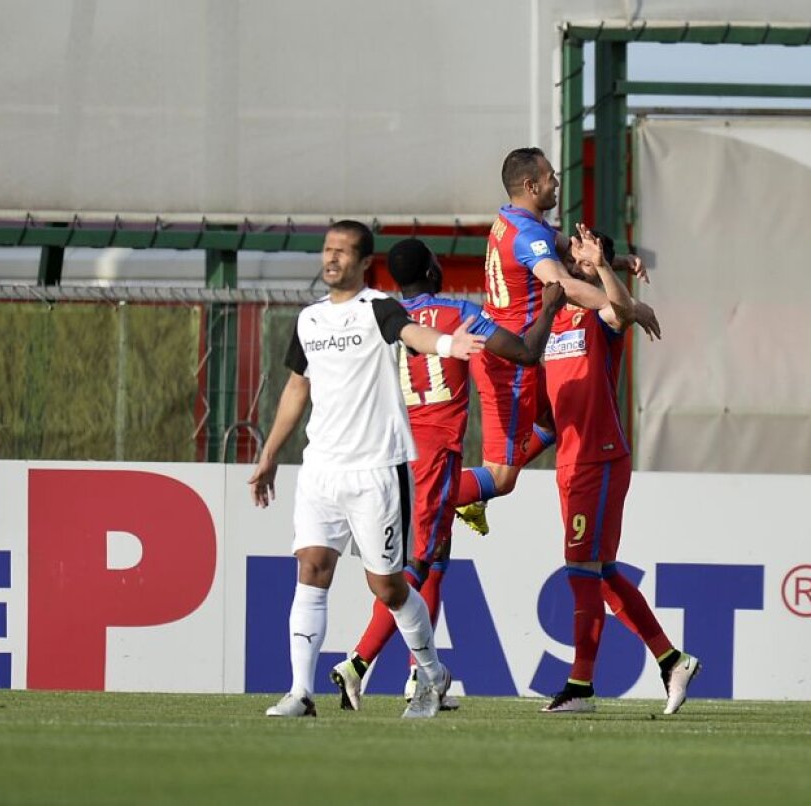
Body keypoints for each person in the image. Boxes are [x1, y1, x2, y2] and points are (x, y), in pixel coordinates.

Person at [248, 221, 487, 720]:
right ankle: (300, 692)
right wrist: (270, 454)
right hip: (321, 469)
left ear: (363, 263)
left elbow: (411, 333)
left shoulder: (378, 308)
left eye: (343, 252)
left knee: (389, 587)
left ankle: (432, 673)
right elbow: (297, 389)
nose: (331, 258)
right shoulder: (309, 320)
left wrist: (447, 346)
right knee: (311, 568)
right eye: (328, 249)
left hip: (376, 470)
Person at [328, 237, 566, 710]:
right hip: (434, 456)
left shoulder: (387, 320)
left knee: (435, 563)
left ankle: (419, 678)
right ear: (433, 269)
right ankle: (356, 662)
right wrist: (550, 309)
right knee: (415, 570)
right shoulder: (457, 312)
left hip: (392, 455)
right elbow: (522, 353)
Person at [453, 146, 659, 536]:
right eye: (551, 178)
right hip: (509, 361)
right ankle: (424, 495)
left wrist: (620, 260)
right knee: (501, 478)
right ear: (531, 186)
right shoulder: (529, 233)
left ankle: (455, 495)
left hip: (512, 348)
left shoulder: (513, 218)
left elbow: (570, 251)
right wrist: (630, 306)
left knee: (554, 422)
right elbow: (561, 282)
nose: (557, 183)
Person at [539, 224, 699, 715]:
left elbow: (623, 310)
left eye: (590, 257)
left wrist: (609, 264)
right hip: (569, 458)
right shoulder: (551, 319)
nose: (581, 262)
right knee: (601, 572)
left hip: (600, 457)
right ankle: (672, 659)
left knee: (581, 570)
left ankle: (582, 687)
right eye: (578, 256)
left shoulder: (599, 317)